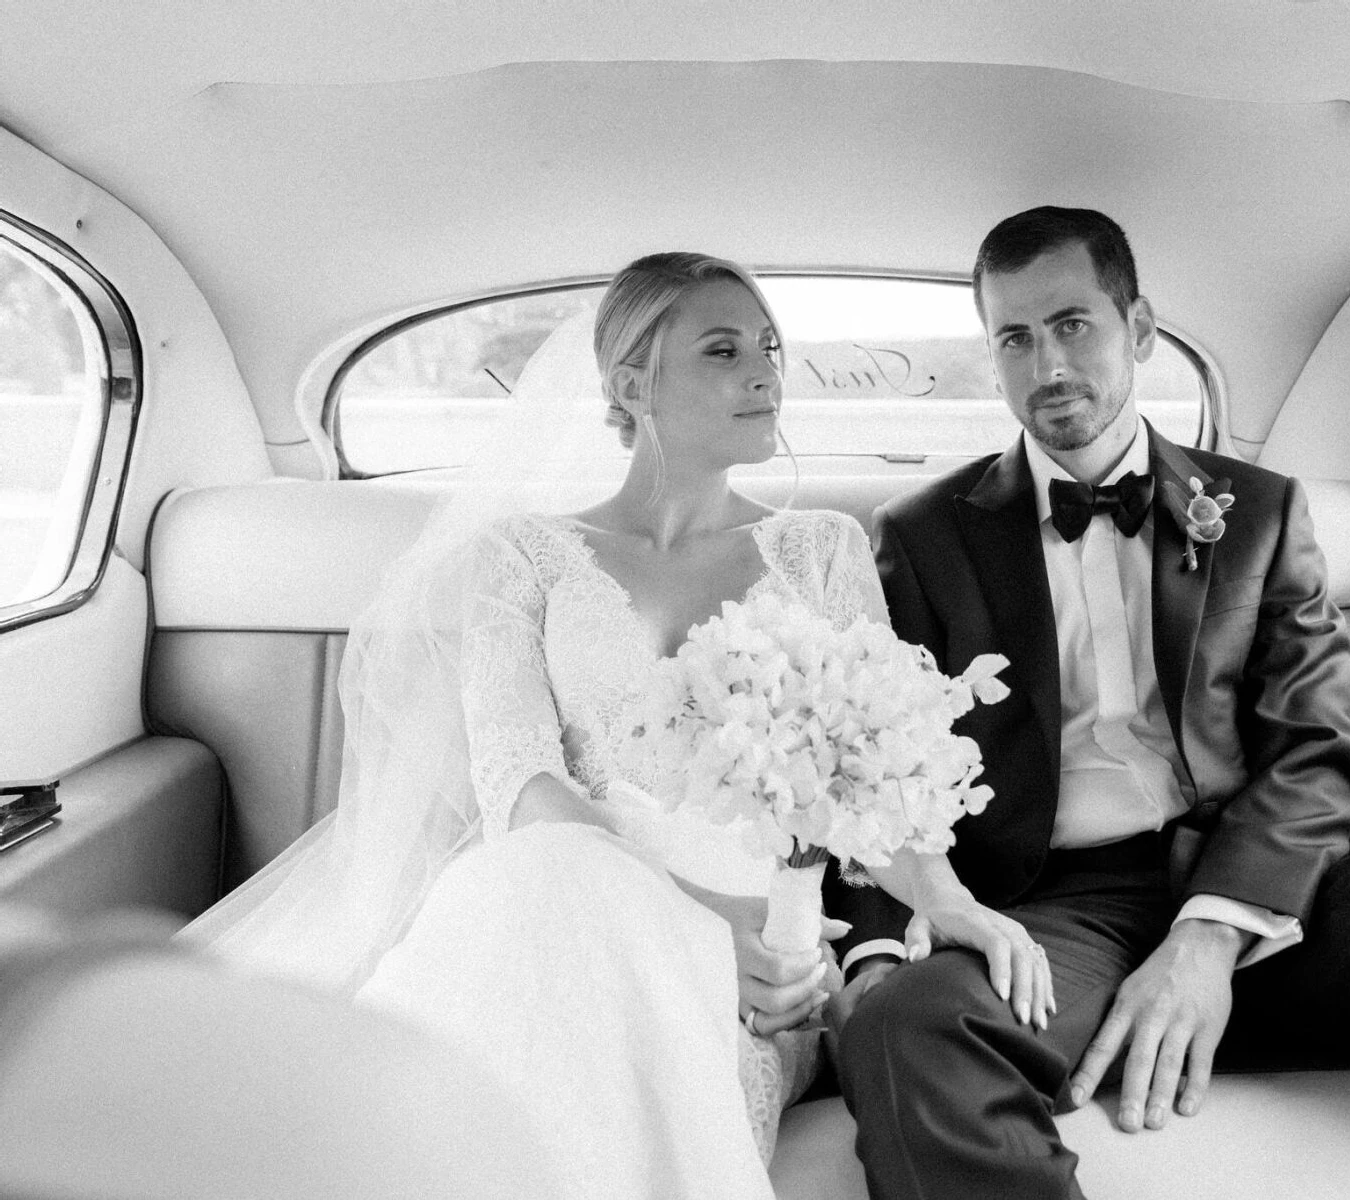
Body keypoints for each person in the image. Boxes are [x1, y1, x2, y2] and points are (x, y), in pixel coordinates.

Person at [826, 207, 1350, 1200]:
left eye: (1071, 324)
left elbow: (1313, 748)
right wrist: (878, 947)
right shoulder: (922, 536)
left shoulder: (1259, 512)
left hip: (1273, 906)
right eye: (1012, 337)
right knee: (903, 1027)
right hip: (1057, 922)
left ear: (1137, 328)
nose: (1046, 363)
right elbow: (875, 772)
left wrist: (1208, 936)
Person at [182, 253, 899, 1199]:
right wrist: (692, 918)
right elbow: (519, 784)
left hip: (752, 956)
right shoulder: (523, 554)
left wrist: (793, 945)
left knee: (545, 911)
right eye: (723, 350)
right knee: (533, 881)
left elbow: (871, 785)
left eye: (769, 347)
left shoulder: (824, 552)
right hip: (559, 883)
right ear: (630, 382)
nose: (766, 373)